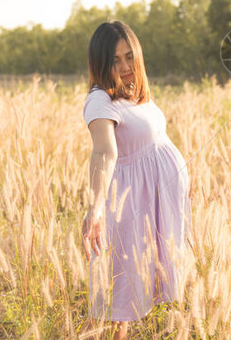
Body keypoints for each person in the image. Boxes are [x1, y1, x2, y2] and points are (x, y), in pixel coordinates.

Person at [80, 20, 193, 339]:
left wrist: (183, 178)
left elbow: (157, 139)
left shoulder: (133, 91)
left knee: (140, 289)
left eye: (129, 56)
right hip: (133, 203)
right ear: (101, 63)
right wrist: (96, 208)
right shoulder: (100, 100)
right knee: (123, 294)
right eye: (115, 60)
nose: (125, 66)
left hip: (159, 196)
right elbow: (104, 152)